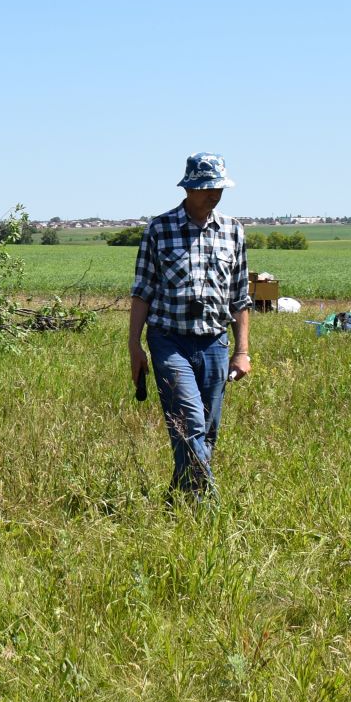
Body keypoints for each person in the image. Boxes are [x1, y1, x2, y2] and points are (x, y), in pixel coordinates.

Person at [128, 153, 251, 502]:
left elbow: (240, 298)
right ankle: (207, 503)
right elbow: (143, 291)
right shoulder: (159, 229)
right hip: (169, 341)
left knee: (206, 433)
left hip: (214, 342)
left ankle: (178, 497)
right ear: (189, 188)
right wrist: (134, 346)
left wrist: (242, 352)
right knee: (191, 423)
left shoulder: (232, 231)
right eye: (207, 187)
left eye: (219, 187)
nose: (214, 194)